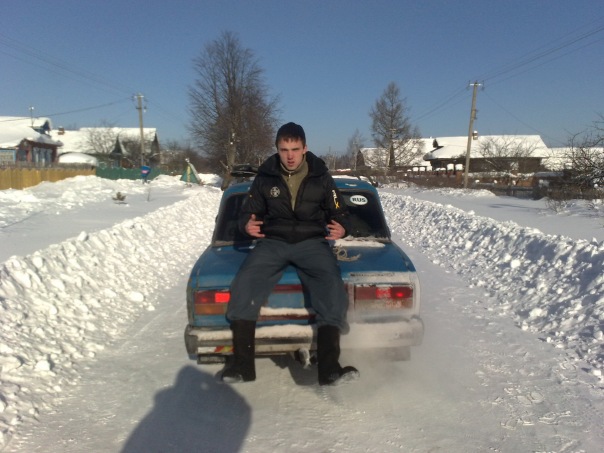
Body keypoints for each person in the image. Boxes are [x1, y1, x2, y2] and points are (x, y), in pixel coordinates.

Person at [222, 122, 359, 386]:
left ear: (305, 148)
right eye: (284, 150)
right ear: (277, 149)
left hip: (312, 243)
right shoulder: (265, 177)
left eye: (295, 149)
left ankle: (330, 369)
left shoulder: (322, 177)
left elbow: (340, 211)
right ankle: (241, 366)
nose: (290, 156)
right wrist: (246, 225)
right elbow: (247, 212)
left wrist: (343, 226)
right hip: (273, 242)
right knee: (244, 284)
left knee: (332, 287)